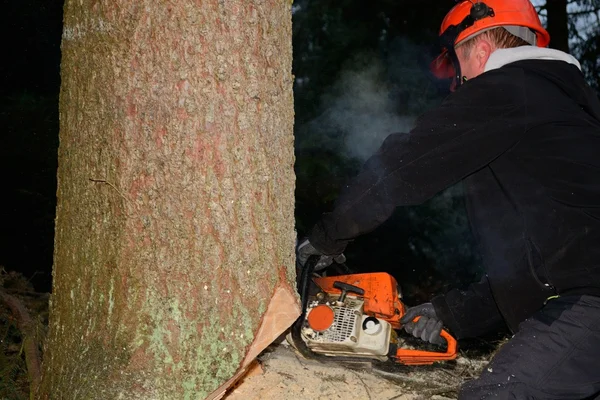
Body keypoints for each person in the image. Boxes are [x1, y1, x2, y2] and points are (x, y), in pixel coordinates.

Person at [297, 0, 600, 398]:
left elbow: (403, 165)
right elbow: (543, 269)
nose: (458, 86)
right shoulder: (563, 107)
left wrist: (325, 238)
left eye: (458, 70)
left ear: (480, 50)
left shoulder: (507, 89)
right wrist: (450, 312)